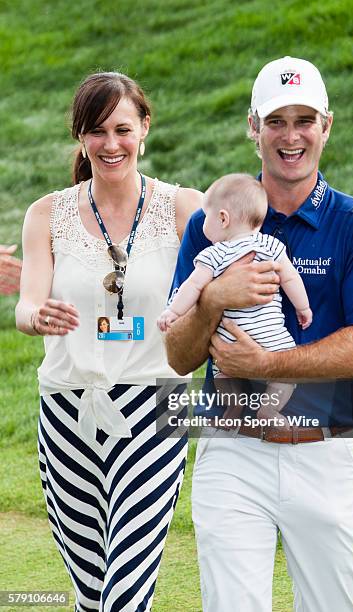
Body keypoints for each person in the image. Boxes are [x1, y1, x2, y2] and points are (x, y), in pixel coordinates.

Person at [165, 56, 353, 612]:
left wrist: (266, 366)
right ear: (253, 127)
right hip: (232, 452)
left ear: (326, 126)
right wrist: (214, 298)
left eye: (304, 120)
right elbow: (178, 356)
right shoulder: (212, 220)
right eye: (275, 121)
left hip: (325, 455)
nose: (290, 136)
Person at [15, 71, 201, 612]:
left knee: (126, 591)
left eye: (122, 129)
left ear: (144, 128)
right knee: (92, 592)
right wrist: (36, 316)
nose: (110, 144)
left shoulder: (184, 208)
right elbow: (26, 305)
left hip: (158, 407)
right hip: (67, 408)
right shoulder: (46, 214)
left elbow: (220, 285)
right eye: (96, 131)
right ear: (81, 137)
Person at [158, 172, 312, 413]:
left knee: (223, 375)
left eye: (206, 216)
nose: (203, 221)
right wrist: (303, 308)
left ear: (222, 218)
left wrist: (173, 312)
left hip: (228, 339)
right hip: (271, 336)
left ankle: (233, 407)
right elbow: (291, 277)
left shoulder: (214, 254)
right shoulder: (270, 245)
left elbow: (193, 286)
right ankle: (269, 409)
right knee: (286, 376)